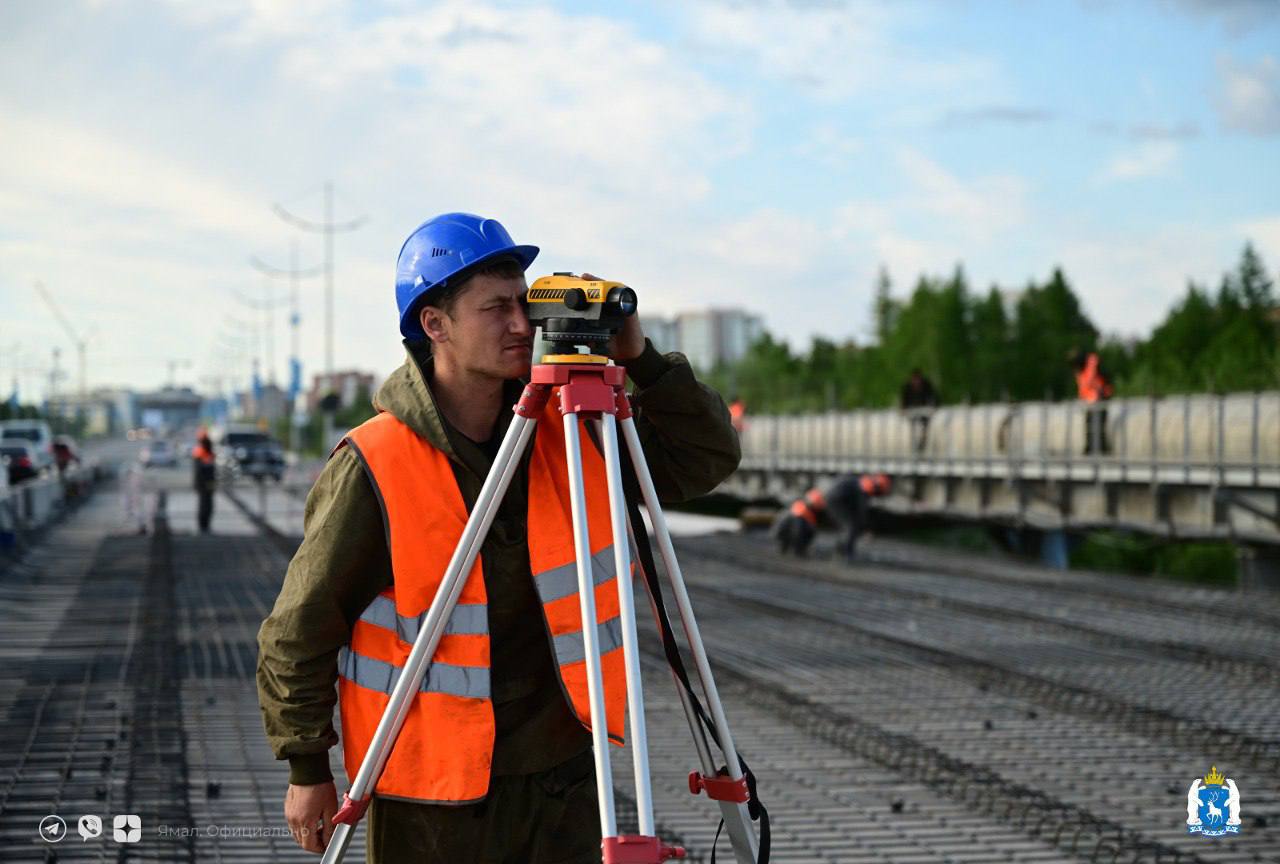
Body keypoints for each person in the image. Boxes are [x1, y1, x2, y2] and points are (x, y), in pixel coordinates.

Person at [255, 212, 740, 862]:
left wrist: (641, 360)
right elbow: (299, 628)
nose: (520, 325)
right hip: (436, 798)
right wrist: (306, 767)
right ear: (435, 325)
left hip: (566, 776)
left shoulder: (570, 432)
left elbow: (703, 459)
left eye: (523, 303)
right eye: (496, 309)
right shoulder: (377, 464)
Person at [772, 473, 891, 561]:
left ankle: (842, 550)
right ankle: (844, 552)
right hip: (836, 500)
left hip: (835, 499)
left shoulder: (798, 509)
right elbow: (861, 510)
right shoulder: (801, 516)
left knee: (848, 526)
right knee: (851, 526)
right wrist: (866, 528)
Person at [1069, 349, 1112, 454]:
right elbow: (1083, 385)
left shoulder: (1093, 363)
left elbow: (1103, 378)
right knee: (1089, 424)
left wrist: (1102, 392)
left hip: (1100, 396)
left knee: (1099, 424)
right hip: (1090, 399)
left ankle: (1101, 448)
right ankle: (1090, 448)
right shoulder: (1080, 368)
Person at [899, 368, 938, 453]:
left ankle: (922, 444)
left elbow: (932, 397)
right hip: (912, 410)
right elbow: (904, 399)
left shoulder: (926, 385)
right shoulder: (907, 387)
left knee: (925, 426)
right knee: (913, 426)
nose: (916, 382)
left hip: (924, 410)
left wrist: (933, 406)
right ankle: (915, 445)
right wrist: (903, 409)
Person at [191, 433, 217, 533]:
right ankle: (203, 525)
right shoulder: (200, 453)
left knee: (209, 505)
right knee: (204, 505)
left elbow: (212, 470)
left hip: (209, 483)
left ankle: (206, 525)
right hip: (203, 484)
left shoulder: (209, 453)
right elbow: (199, 471)